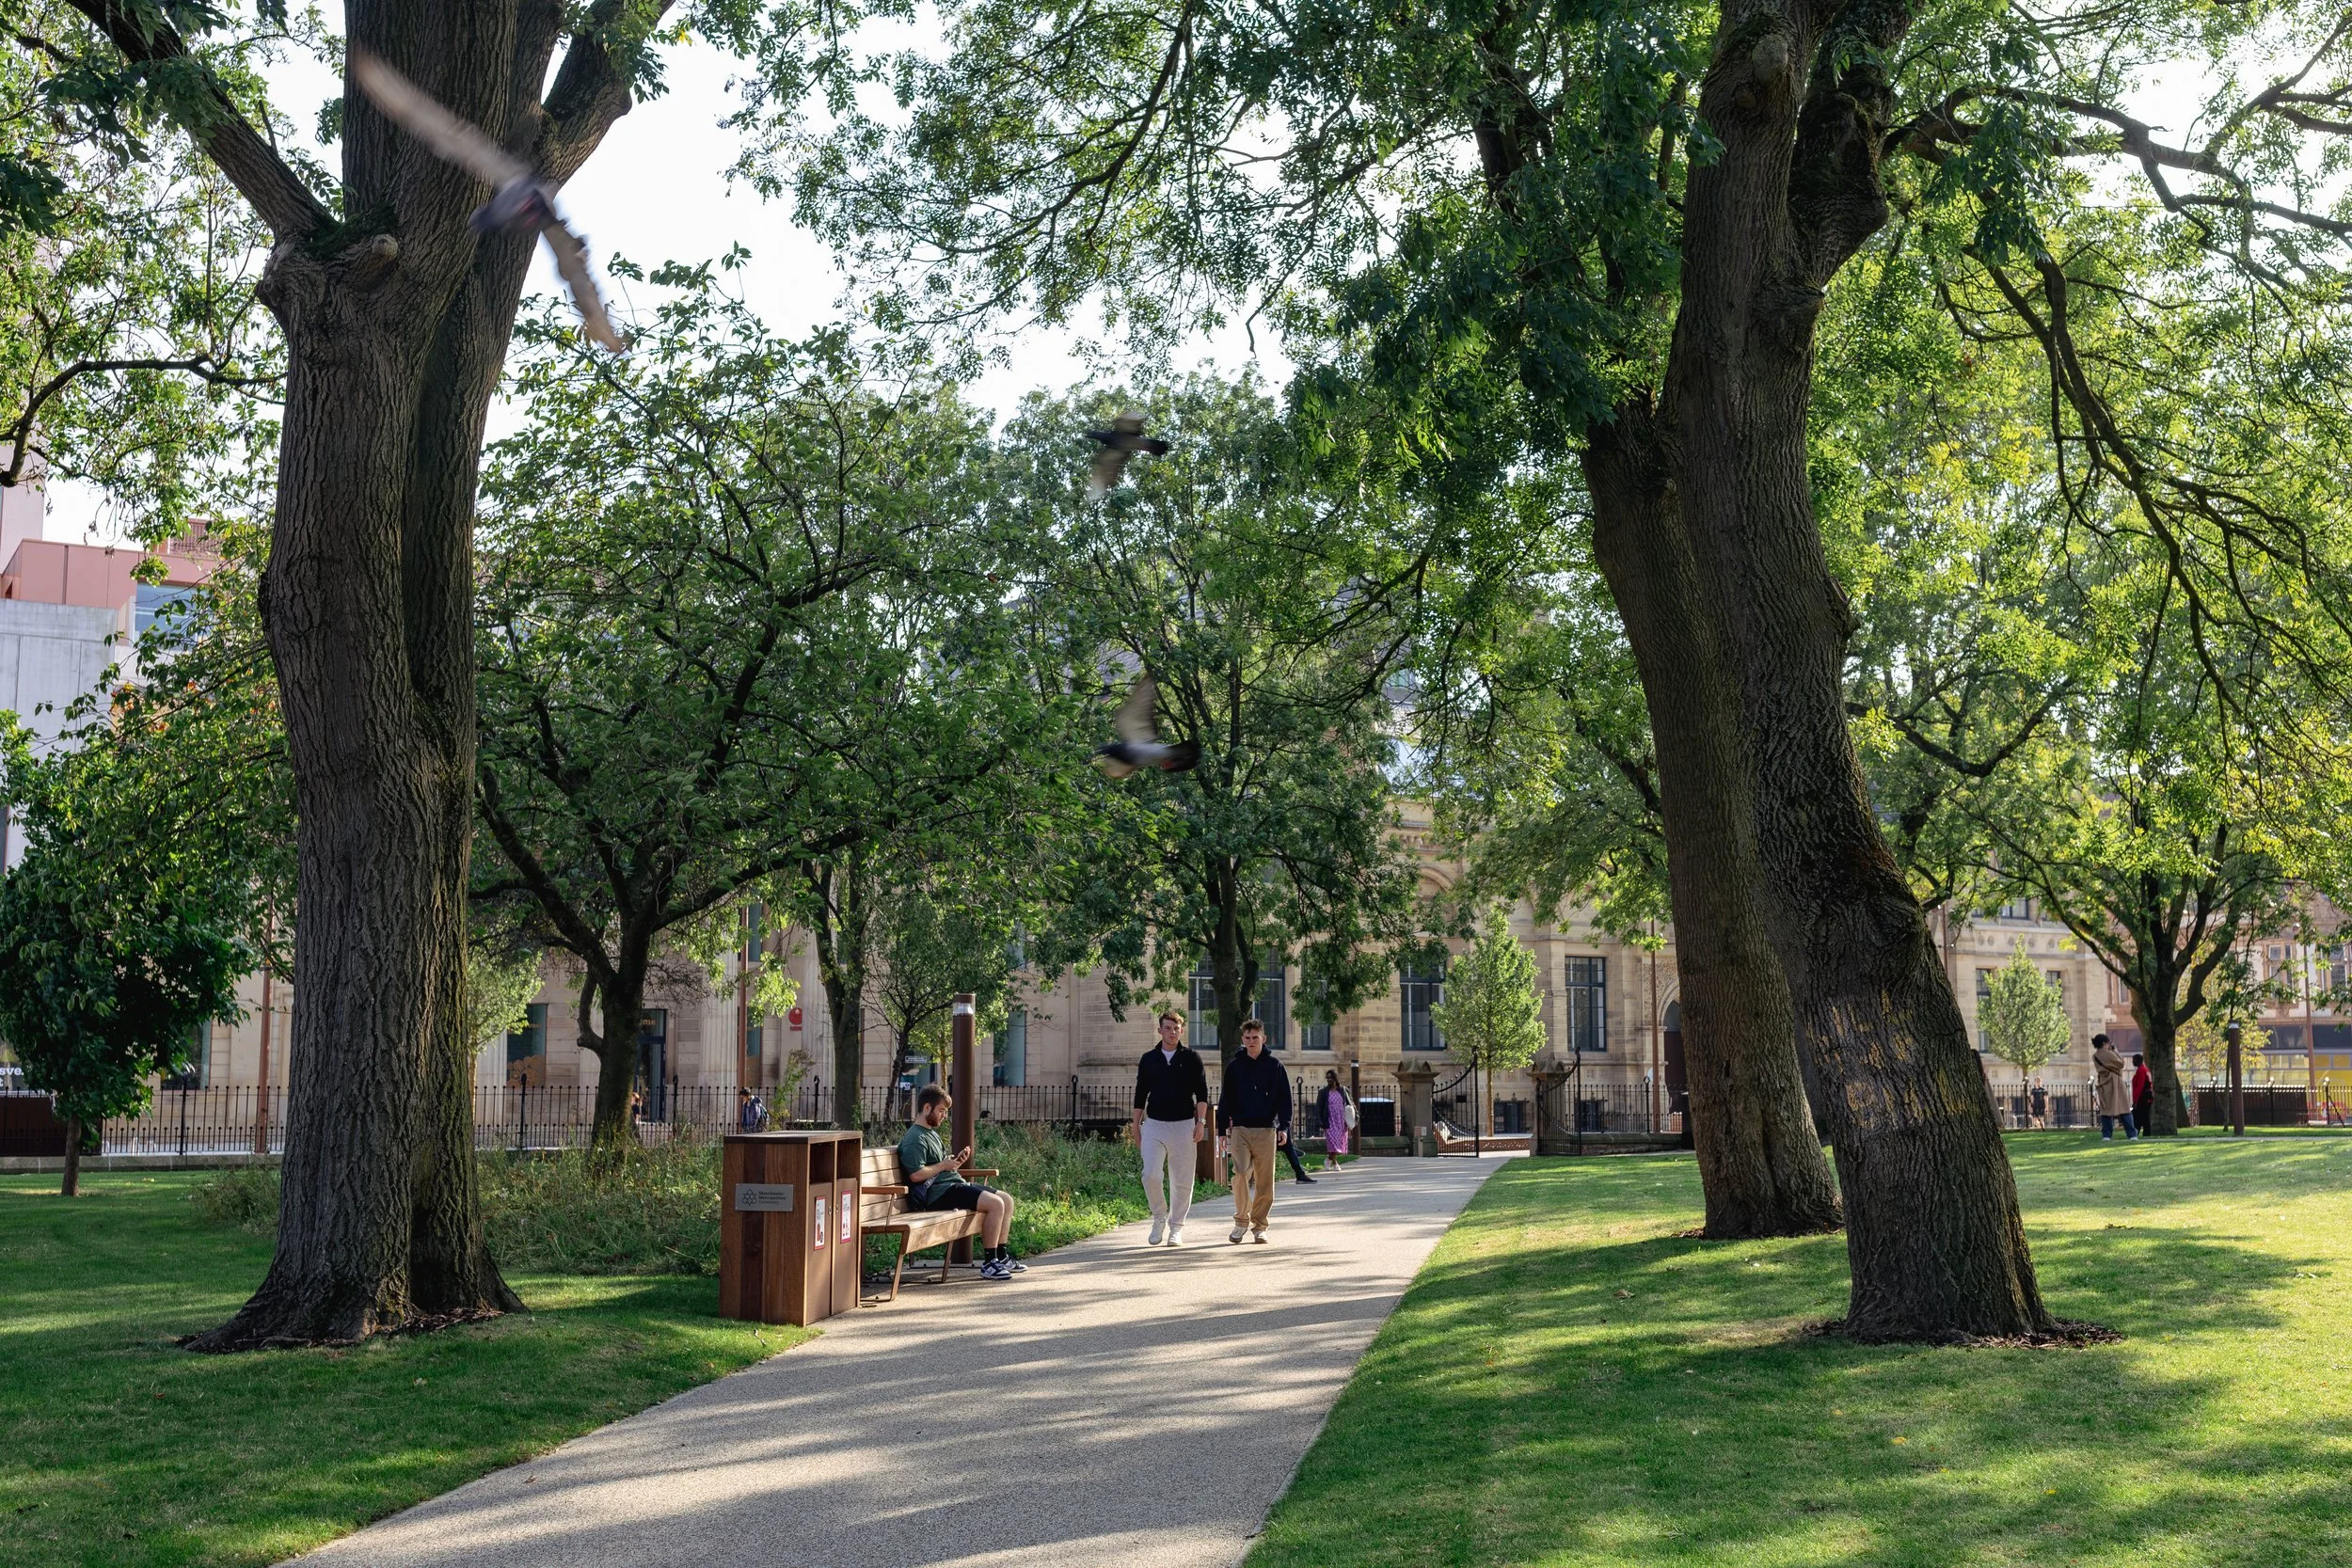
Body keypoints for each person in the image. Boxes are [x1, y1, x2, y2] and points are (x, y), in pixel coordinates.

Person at [898, 1085, 1023, 1280]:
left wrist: (954, 1163)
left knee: (1006, 1200)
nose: (944, 1116)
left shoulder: (930, 1133)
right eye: (941, 1111)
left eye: (946, 1112)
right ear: (927, 1108)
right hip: (938, 1194)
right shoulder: (915, 1138)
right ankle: (990, 1263)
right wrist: (943, 1165)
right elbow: (916, 1175)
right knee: (995, 1204)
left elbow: (938, 1166)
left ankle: (1001, 1255)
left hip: (951, 1185)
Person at [1133, 1010, 1211, 1246]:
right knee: (1150, 1175)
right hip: (1154, 1124)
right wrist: (1136, 1125)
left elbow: (1202, 1092)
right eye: (1168, 1028)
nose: (1172, 1032)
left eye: (1176, 1028)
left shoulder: (1191, 1058)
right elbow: (1140, 1094)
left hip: (1184, 1125)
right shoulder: (1149, 1059)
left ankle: (1176, 1227)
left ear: (1181, 1030)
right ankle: (1158, 1217)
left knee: (1182, 1180)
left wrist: (1201, 1121)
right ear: (1160, 1031)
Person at [1217, 1019, 1293, 1243]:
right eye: (1248, 1038)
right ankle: (1241, 1221)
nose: (1251, 1042)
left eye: (1255, 1038)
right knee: (1240, 1174)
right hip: (1240, 1129)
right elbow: (1225, 1100)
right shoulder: (1234, 1066)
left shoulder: (1275, 1066)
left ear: (1264, 1039)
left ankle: (1260, 1226)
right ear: (1243, 1039)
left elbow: (1285, 1100)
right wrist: (1222, 1130)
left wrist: (1285, 1126)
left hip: (1266, 1129)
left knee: (1264, 1181)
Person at [2093, 1034, 2137, 1140]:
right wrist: (2116, 1051)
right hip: (2115, 1082)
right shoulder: (2109, 1054)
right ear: (2104, 1043)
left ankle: (2107, 1135)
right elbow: (2121, 1063)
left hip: (2104, 1083)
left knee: (2106, 1110)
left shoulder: (2095, 1056)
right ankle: (2131, 1134)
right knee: (2124, 1109)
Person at [1319, 1069, 1352, 1173]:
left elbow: (1350, 1104)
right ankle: (1335, 1163)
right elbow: (1318, 1108)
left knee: (1339, 1143)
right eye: (1327, 1078)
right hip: (1329, 1120)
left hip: (1341, 1121)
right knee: (1333, 1142)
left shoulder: (1343, 1090)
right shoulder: (1323, 1092)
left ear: (1335, 1079)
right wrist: (1320, 1121)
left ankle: (1328, 1159)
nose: (1329, 1079)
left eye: (1331, 1078)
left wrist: (1353, 1117)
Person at [2131, 1052, 2153, 1132]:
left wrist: (2135, 1101)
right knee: (2144, 1116)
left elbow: (2140, 1086)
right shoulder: (2146, 1069)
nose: (2132, 1062)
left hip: (2142, 1098)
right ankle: (2142, 1132)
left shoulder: (2141, 1071)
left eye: (2133, 1060)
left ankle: (2138, 1132)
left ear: (2138, 1060)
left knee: (2140, 1116)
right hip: (2146, 1097)